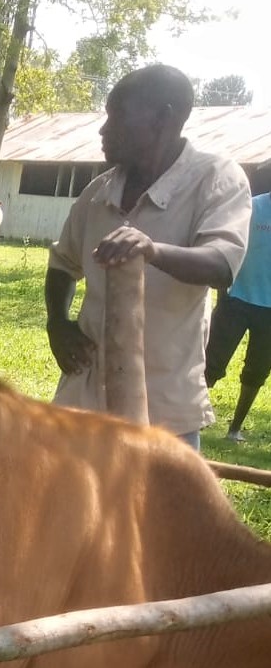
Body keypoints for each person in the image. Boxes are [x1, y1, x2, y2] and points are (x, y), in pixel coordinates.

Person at [45, 64, 251, 449]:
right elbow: (62, 263)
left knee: (155, 510)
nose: (104, 130)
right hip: (83, 404)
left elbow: (222, 263)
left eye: (118, 115)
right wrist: (57, 323)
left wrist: (152, 250)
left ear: (163, 117)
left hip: (164, 412)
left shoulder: (216, 179)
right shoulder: (98, 193)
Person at [205, 160, 271, 441]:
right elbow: (229, 246)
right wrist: (224, 291)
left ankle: (234, 430)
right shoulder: (253, 207)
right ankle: (190, 415)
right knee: (212, 361)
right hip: (238, 297)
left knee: (257, 370)